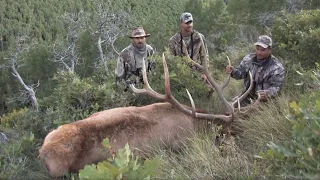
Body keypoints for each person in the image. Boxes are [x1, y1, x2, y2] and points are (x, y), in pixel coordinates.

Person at [225, 35, 285, 105]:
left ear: (270, 50)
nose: (259, 52)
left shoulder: (276, 67)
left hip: (265, 102)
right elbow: (240, 74)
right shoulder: (248, 59)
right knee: (229, 108)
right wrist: (233, 71)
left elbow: (277, 87)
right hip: (247, 97)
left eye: (263, 50)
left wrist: (267, 93)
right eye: (257, 49)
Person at [168, 12, 209, 81]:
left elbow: (204, 57)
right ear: (181, 24)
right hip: (180, 76)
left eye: (190, 22)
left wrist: (204, 73)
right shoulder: (174, 40)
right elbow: (170, 60)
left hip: (197, 75)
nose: (189, 25)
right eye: (187, 23)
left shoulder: (199, 37)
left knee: (210, 89)